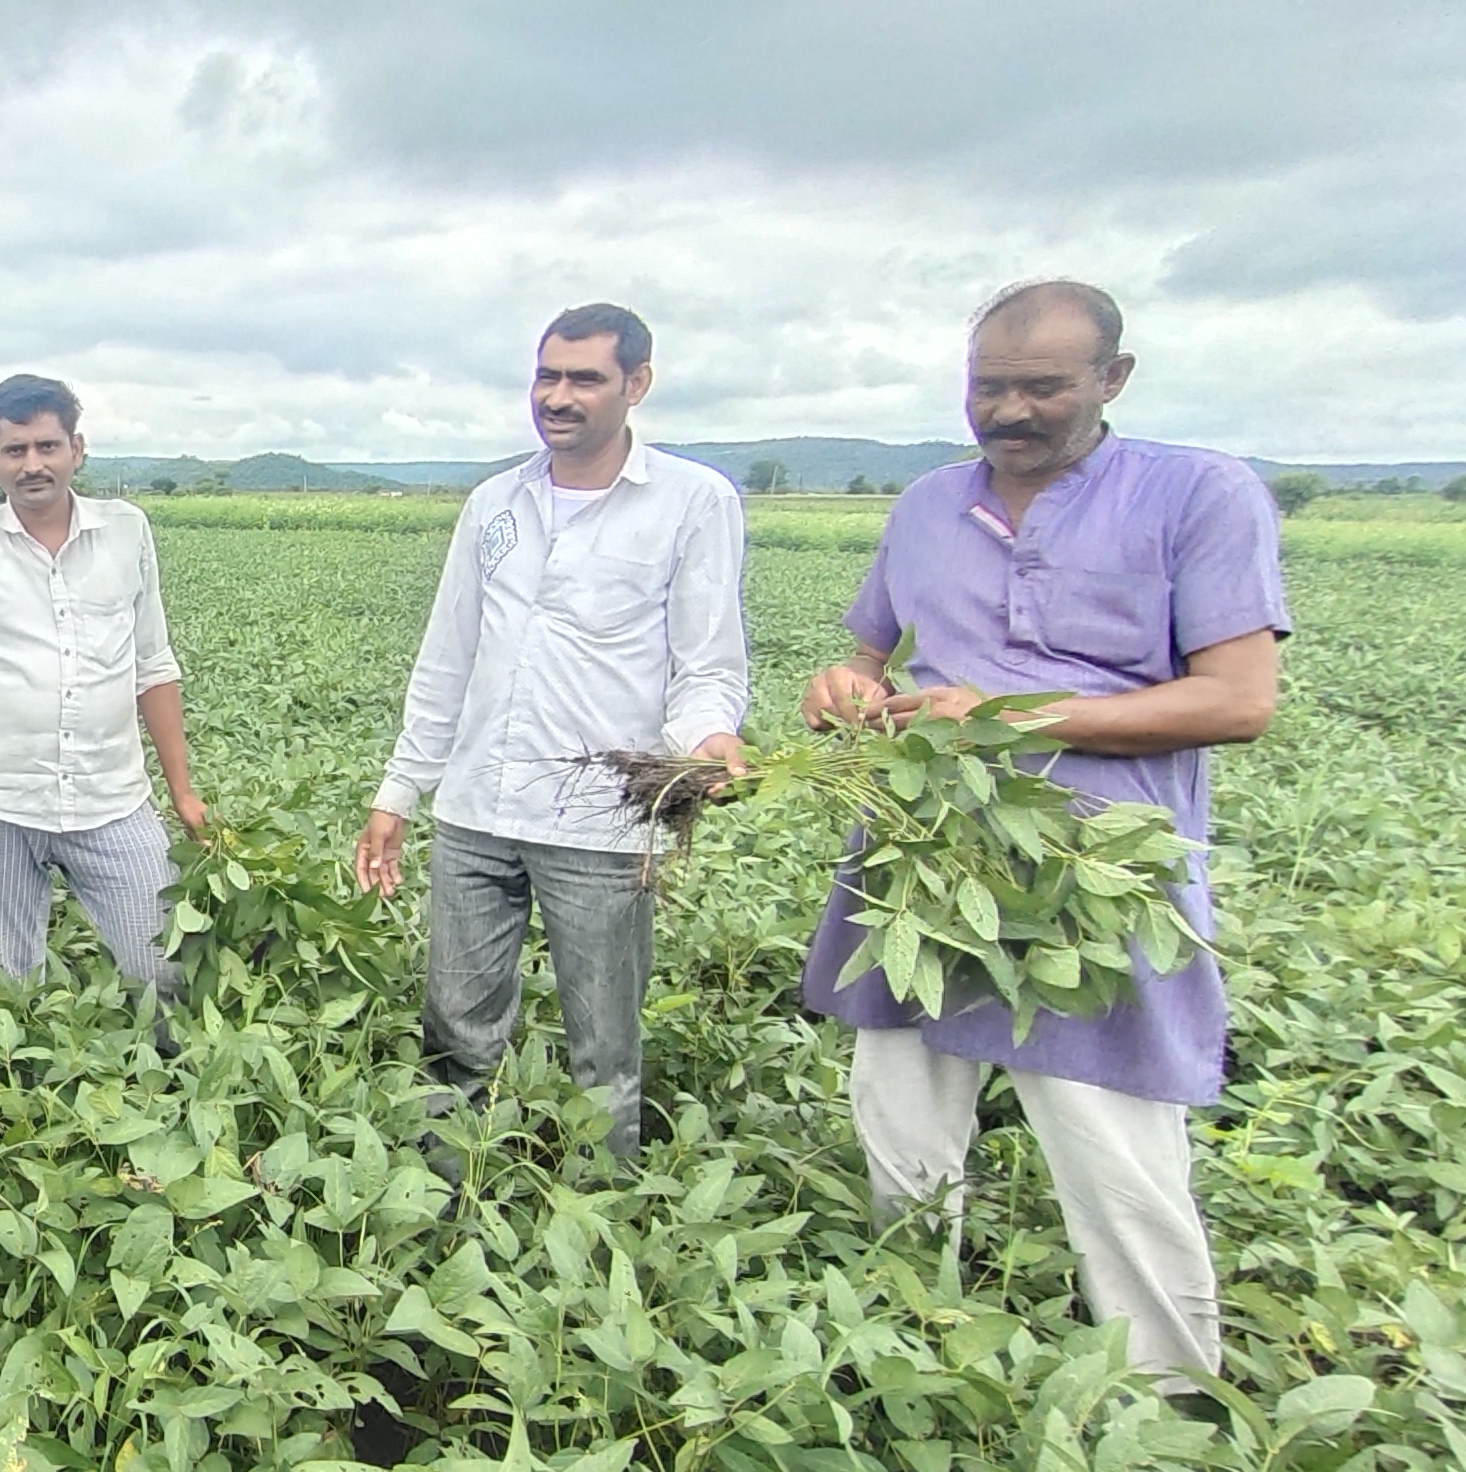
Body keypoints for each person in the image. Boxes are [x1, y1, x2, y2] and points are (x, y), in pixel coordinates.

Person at [800, 280, 1279, 1390]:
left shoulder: (1200, 494)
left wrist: (1010, 715)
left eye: (1043, 386)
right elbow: (868, 659)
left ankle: (1166, 1397)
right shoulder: (926, 503)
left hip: (1094, 879)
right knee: (902, 1114)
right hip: (919, 865)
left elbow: (1239, 699)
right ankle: (912, 1348)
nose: (1010, 409)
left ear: (1113, 379)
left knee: (1115, 1148)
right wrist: (844, 687)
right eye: (989, 386)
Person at [353, 303, 749, 1160]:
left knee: (603, 1047)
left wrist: (709, 738)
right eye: (547, 375)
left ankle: (600, 1215)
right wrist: (399, 790)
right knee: (454, 1031)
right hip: (474, 812)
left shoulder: (691, 502)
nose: (557, 396)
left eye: (584, 378)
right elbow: (448, 656)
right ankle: (439, 1197)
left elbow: (706, 660)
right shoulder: (496, 504)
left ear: (636, 386)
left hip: (602, 824)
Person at [0, 374, 205, 1043]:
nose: (32, 464)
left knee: (162, 969)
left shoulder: (127, 532)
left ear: (77, 448)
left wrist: (181, 792)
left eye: (47, 445)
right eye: (14, 450)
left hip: (113, 800)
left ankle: (172, 1095)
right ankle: (34, 1114)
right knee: (12, 991)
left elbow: (153, 666)